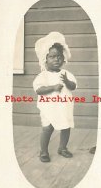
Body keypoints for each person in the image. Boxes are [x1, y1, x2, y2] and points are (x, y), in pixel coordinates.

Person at [33, 32, 77, 162]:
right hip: (49, 108)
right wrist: (52, 88)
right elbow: (39, 90)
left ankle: (62, 148)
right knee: (47, 128)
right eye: (52, 56)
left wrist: (67, 82)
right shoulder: (43, 76)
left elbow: (73, 86)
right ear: (45, 60)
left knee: (66, 126)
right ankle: (44, 151)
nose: (56, 59)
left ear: (63, 58)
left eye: (59, 56)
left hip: (64, 107)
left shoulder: (66, 73)